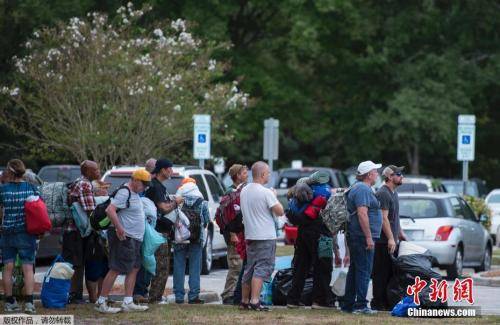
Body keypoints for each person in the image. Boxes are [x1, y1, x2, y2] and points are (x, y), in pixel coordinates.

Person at [95, 169, 151, 313]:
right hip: (124, 237)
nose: (145, 188)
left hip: (135, 238)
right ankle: (101, 302)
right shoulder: (124, 191)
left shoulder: (135, 193)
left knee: (134, 268)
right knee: (116, 268)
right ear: (136, 180)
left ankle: (128, 301)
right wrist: (120, 228)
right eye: (144, 184)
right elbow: (110, 210)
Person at [286, 172, 338, 309]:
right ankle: (319, 301)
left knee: (300, 266)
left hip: (303, 231)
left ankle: (293, 299)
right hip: (320, 232)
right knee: (323, 266)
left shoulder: (303, 188)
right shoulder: (325, 190)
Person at [240, 161, 284, 311]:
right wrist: (274, 196)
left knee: (250, 268)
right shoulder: (266, 192)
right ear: (263, 174)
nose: (269, 175)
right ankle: (255, 300)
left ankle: (244, 300)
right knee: (262, 268)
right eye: (269, 173)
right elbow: (280, 211)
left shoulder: (244, 190)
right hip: (265, 236)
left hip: (250, 235)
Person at [341, 161, 382, 315]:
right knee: (364, 270)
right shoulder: (363, 189)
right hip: (361, 237)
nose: (377, 174)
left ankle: (348, 304)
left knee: (355, 270)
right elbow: (362, 213)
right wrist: (369, 237)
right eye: (375, 171)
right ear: (369, 174)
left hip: (357, 235)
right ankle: (361, 305)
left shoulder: (359, 187)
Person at [0, 159, 38, 313]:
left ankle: (9, 301)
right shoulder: (31, 188)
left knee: (7, 267)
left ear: (10, 171)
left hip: (7, 232)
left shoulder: (3, 190)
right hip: (26, 232)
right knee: (28, 267)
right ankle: (29, 303)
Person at [64, 160, 101, 304]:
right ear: (87, 171)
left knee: (76, 262)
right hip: (76, 231)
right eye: (96, 170)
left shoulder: (78, 182)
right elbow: (90, 209)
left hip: (73, 230)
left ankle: (75, 294)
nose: (98, 172)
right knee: (77, 263)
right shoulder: (85, 184)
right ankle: (75, 295)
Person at [147, 159, 183, 303]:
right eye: (170, 169)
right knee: (161, 267)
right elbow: (163, 208)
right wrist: (176, 202)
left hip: (157, 231)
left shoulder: (157, 186)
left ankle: (152, 295)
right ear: (162, 170)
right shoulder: (156, 186)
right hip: (158, 232)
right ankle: (155, 297)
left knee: (158, 265)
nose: (171, 172)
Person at [371, 165, 407, 311]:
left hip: (392, 239)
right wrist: (391, 239)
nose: (401, 176)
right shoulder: (383, 193)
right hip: (382, 241)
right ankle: (378, 303)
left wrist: (400, 234)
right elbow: (384, 219)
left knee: (390, 273)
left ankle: (387, 301)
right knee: (381, 273)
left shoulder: (394, 192)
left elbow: (394, 218)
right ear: (390, 177)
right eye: (398, 174)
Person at [173, 178, 210, 304]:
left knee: (179, 266)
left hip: (179, 238)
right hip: (196, 238)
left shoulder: (177, 201)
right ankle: (193, 296)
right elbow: (206, 221)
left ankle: (178, 296)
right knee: (195, 266)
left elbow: (173, 218)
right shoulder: (202, 202)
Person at [220, 164, 247, 304]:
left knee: (240, 265)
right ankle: (228, 294)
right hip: (233, 234)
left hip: (241, 234)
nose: (247, 174)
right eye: (244, 172)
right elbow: (227, 216)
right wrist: (232, 233)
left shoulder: (240, 191)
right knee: (235, 265)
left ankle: (235, 293)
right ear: (237, 175)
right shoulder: (230, 193)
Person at [133, 158, 157, 303]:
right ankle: (139, 292)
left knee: (145, 260)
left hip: (147, 228)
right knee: (142, 261)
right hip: (140, 229)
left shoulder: (148, 185)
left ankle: (141, 291)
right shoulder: (146, 186)